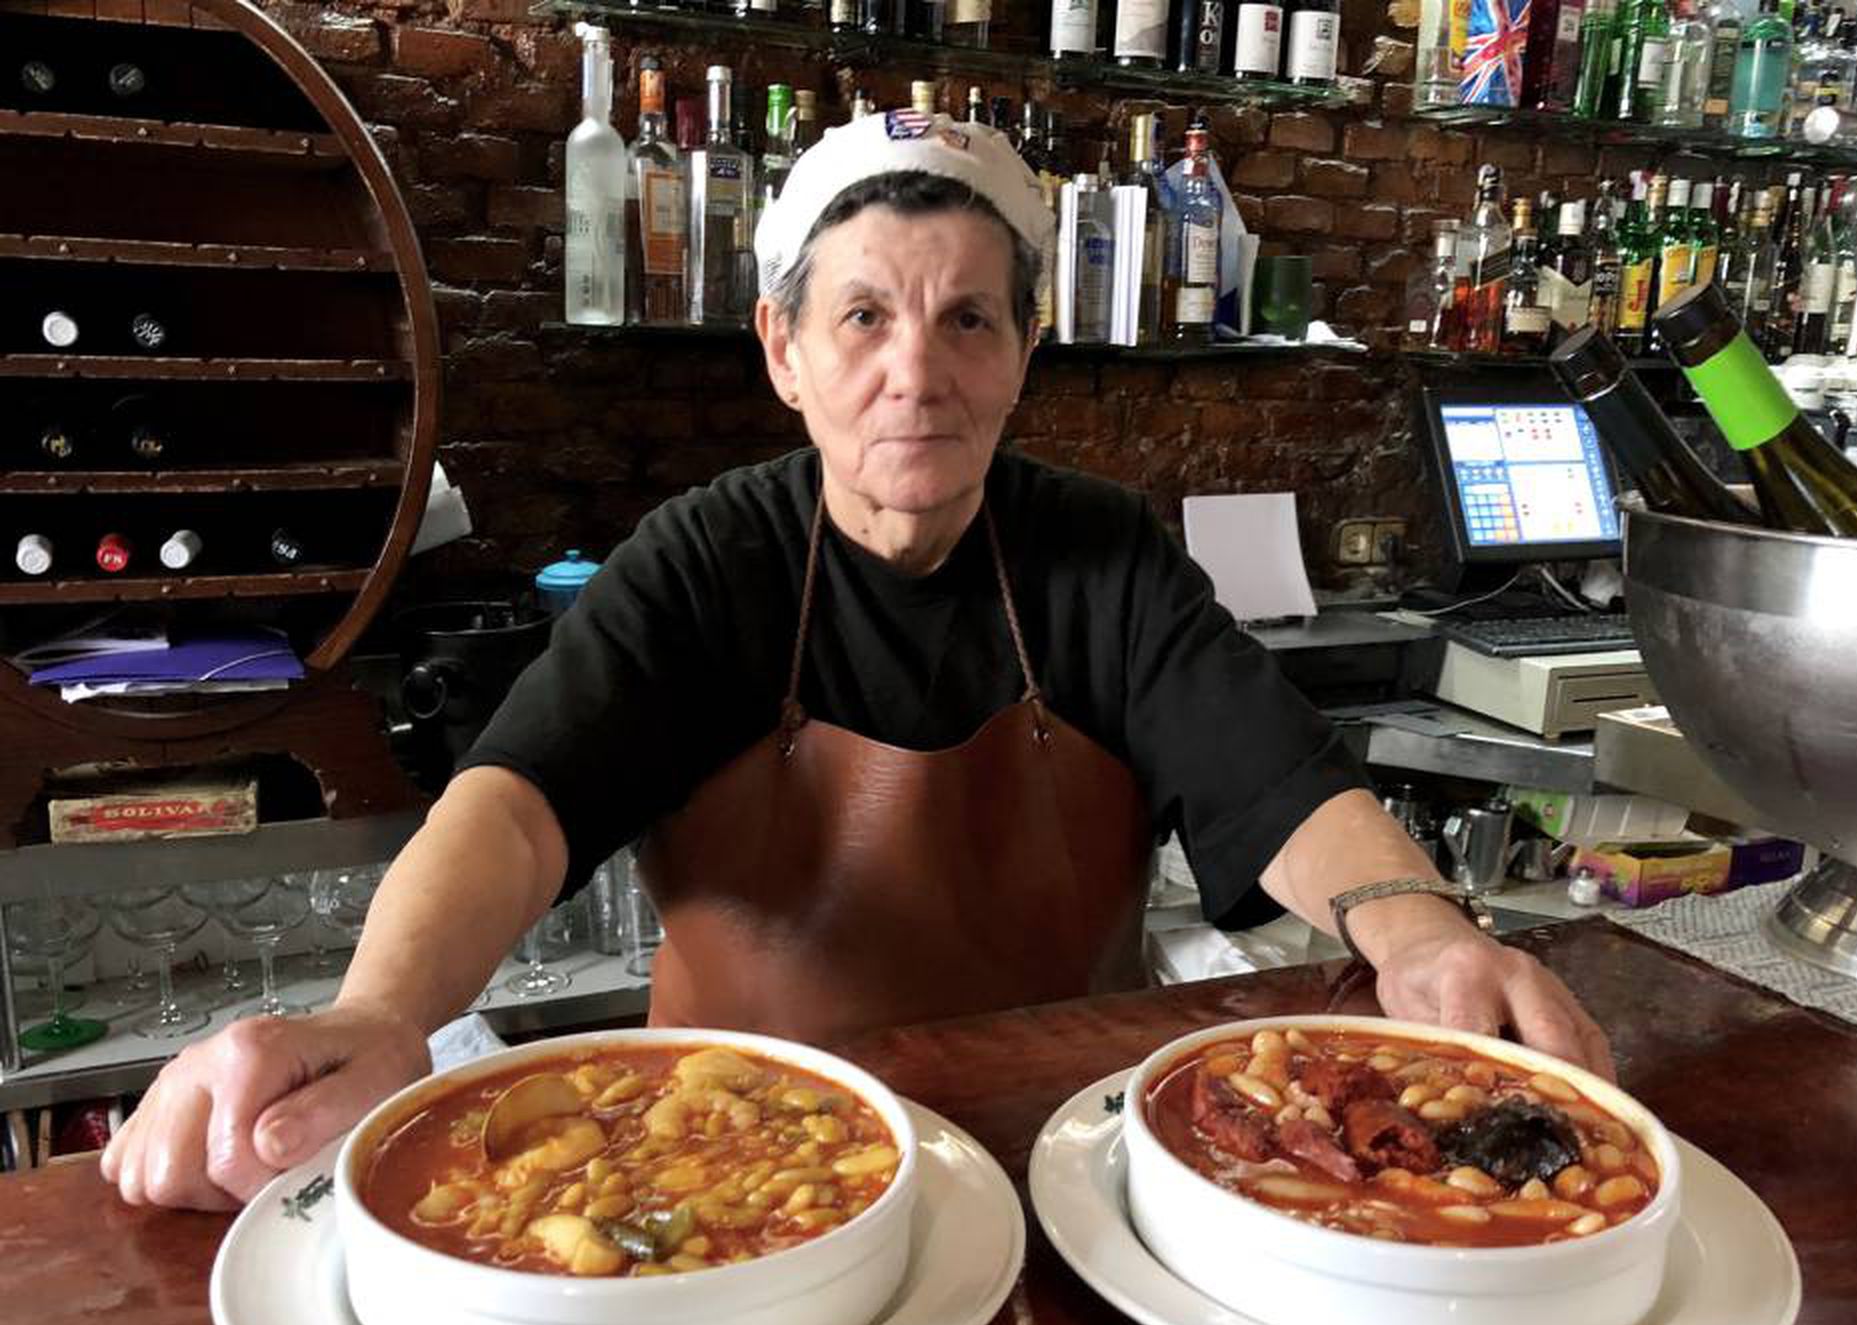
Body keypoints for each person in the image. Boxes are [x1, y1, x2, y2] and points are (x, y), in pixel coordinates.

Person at [105, 111, 1611, 1212]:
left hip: (1061, 1153)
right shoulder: (707, 557)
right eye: (866, 316)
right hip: (721, 1157)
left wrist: (1418, 928)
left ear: (1026, 350)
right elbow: (516, 803)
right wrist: (379, 1020)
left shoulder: (1103, 553)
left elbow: (1271, 777)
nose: (918, 372)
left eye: (969, 319)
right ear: (783, 349)